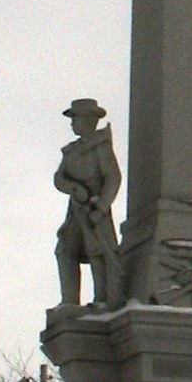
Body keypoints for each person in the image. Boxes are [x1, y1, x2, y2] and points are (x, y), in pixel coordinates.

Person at [54, 99, 122, 307]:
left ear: (88, 120)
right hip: (76, 208)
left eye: (76, 118)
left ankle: (102, 298)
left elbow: (113, 178)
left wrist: (100, 208)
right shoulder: (72, 151)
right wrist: (74, 188)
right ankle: (69, 300)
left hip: (94, 208)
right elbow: (59, 178)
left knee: (98, 251)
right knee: (65, 250)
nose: (73, 123)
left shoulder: (100, 147)